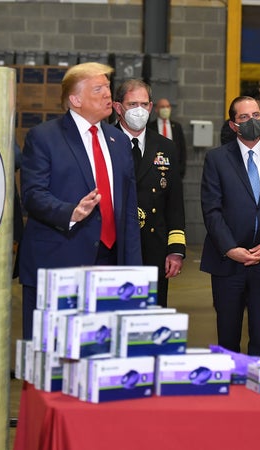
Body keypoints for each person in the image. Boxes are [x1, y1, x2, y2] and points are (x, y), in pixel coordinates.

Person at [18, 62, 142, 339]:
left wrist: (133, 267)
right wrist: (71, 212)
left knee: (99, 350)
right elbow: (32, 194)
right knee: (53, 353)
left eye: (108, 88)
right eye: (98, 89)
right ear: (75, 100)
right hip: (61, 259)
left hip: (111, 262)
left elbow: (129, 210)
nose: (107, 95)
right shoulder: (44, 137)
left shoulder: (118, 142)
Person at [200, 96, 260, 356]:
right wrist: (230, 248)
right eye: (244, 117)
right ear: (233, 124)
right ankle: (229, 390)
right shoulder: (217, 159)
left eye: (256, 115)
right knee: (228, 336)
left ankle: (258, 389)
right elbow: (212, 210)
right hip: (228, 262)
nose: (251, 121)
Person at [113, 80, 186, 307]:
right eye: (132, 103)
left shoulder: (165, 147)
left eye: (144, 104)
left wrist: (175, 249)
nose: (139, 110)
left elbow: (174, 203)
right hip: (115, 247)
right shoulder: (105, 141)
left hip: (154, 248)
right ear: (118, 107)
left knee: (151, 315)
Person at [150, 98, 188, 178]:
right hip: (155, 168)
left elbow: (182, 149)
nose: (165, 109)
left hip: (174, 169)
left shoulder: (177, 127)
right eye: (162, 107)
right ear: (156, 109)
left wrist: (181, 169)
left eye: (167, 106)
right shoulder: (150, 127)